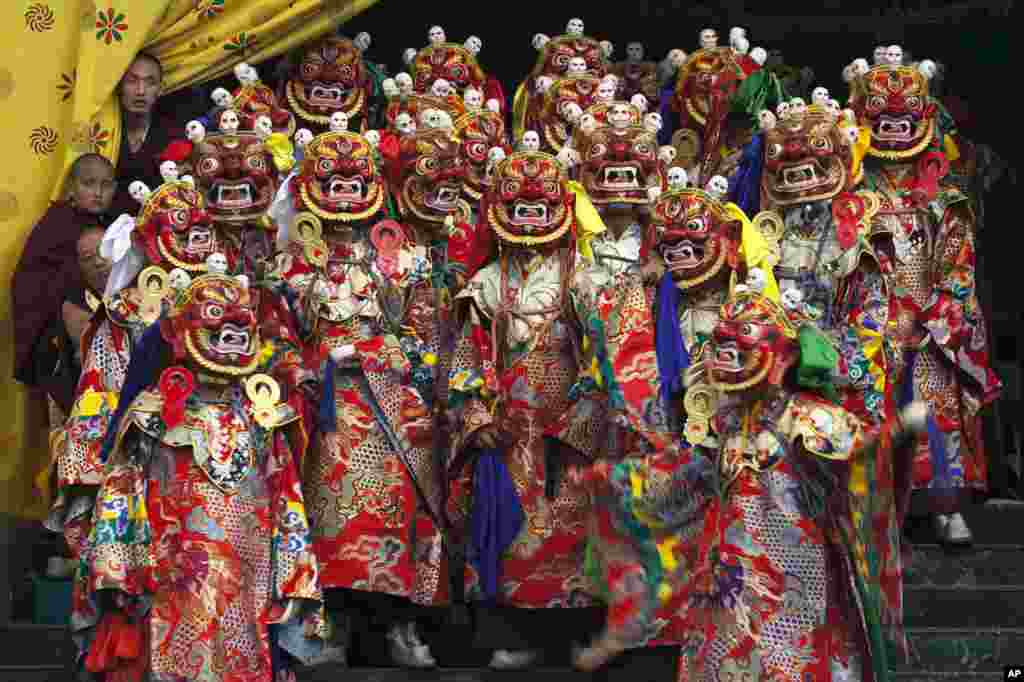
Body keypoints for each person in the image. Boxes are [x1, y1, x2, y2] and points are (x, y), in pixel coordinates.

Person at [12, 153, 115, 401]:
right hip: (59, 334)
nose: (98, 192)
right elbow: (27, 281)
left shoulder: (112, 225)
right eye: (88, 184)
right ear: (71, 188)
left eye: (106, 185)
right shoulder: (57, 223)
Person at [109, 52, 183, 216]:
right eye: (132, 81)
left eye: (150, 83)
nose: (140, 91)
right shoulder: (103, 134)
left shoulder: (173, 136)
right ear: (119, 85)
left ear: (160, 89)